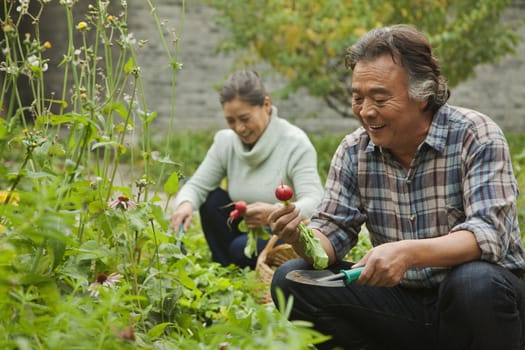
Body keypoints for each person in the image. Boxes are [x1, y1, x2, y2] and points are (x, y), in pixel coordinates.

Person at [268, 24, 525, 350]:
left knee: (474, 281)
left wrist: (407, 253)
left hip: (481, 305)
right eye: (357, 98)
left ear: (423, 96)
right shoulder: (354, 151)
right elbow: (330, 234)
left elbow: (489, 234)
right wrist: (299, 236)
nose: (365, 111)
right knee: (291, 279)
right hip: (405, 304)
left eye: (379, 98)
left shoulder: (475, 134)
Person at [170, 70, 324, 269]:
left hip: (280, 232)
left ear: (266, 105)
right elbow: (197, 186)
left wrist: (274, 213)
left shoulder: (295, 143)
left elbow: (315, 201)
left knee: (239, 248)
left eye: (245, 118)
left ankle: (238, 264)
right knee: (212, 199)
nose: (239, 128)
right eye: (231, 121)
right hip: (244, 228)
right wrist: (185, 205)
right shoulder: (225, 142)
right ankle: (226, 269)